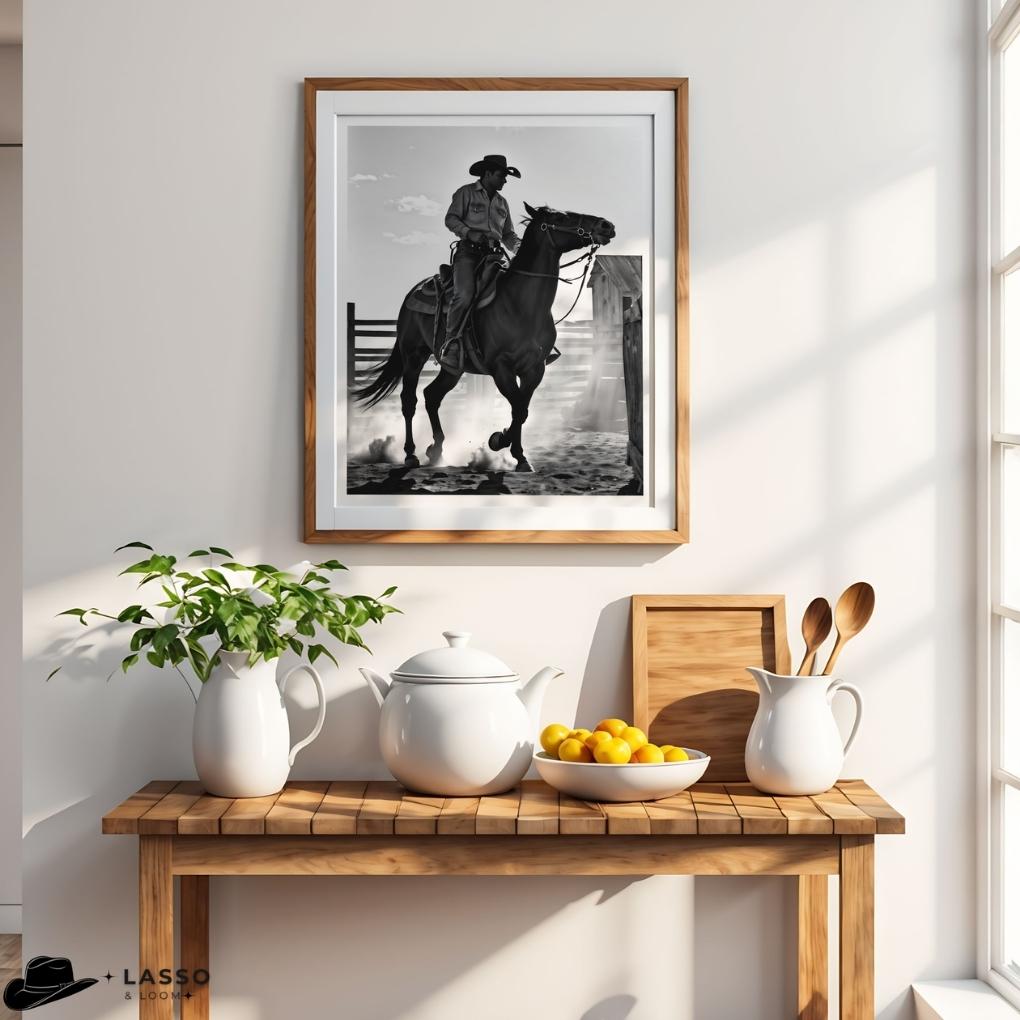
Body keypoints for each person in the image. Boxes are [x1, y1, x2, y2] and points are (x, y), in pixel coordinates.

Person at [440, 154, 523, 369]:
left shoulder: (502, 202)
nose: (505, 180)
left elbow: (508, 235)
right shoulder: (466, 193)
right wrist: (469, 233)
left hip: (494, 256)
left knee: (517, 290)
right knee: (465, 294)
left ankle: (527, 342)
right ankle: (451, 344)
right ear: (487, 174)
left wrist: (521, 250)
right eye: (501, 176)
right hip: (468, 254)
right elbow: (451, 218)